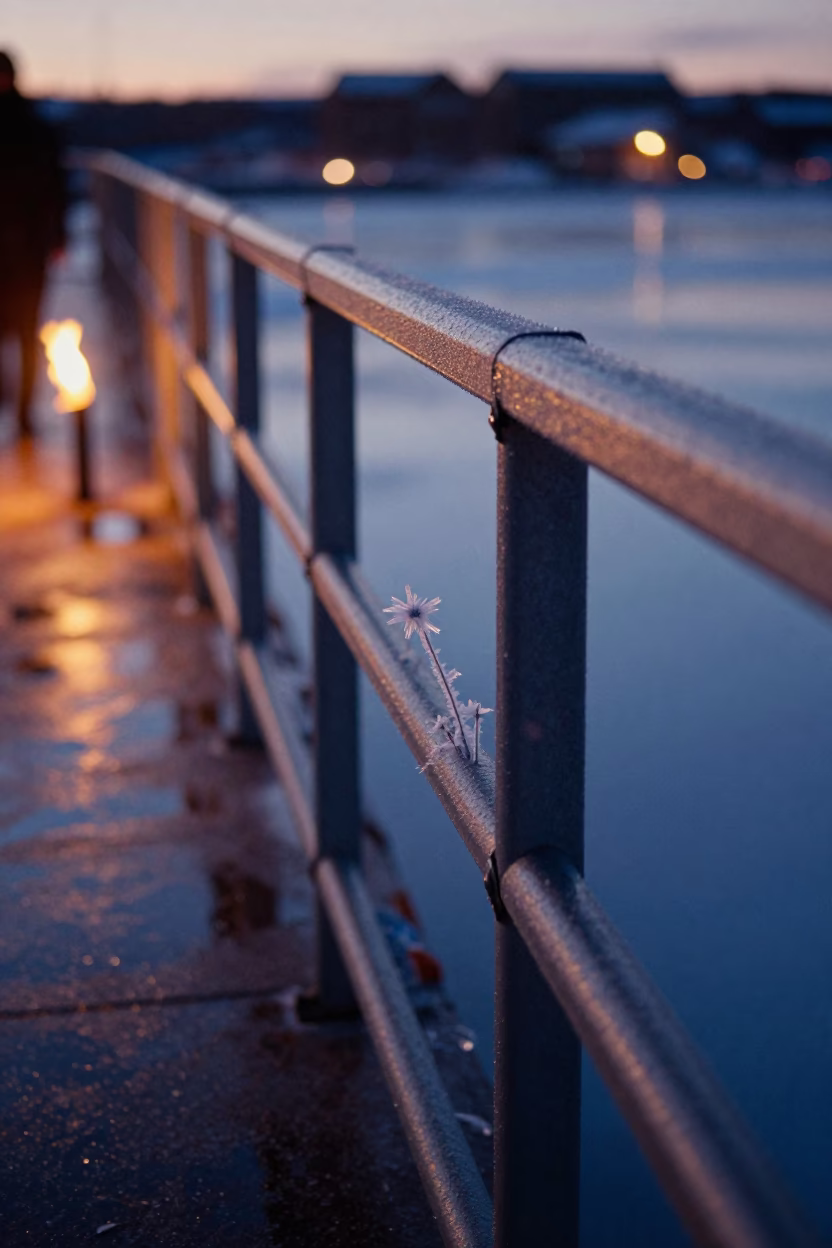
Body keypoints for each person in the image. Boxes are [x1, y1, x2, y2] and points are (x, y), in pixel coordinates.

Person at [0, 49, 67, 437]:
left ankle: (24, 414)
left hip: (28, 246)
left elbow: (54, 186)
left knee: (26, 331)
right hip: (23, 244)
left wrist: (57, 235)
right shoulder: (37, 127)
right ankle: (17, 409)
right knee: (16, 331)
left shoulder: (36, 129)